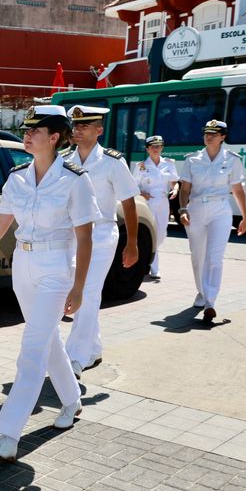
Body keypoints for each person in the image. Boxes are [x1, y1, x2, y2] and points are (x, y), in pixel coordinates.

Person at [0, 105, 99, 462]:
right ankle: (72, 400)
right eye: (26, 129)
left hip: (56, 267)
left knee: (32, 349)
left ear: (55, 137)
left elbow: (85, 237)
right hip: (23, 264)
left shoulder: (75, 179)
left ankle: (8, 434)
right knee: (47, 341)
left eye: (35, 130)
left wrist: (78, 287)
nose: (26, 135)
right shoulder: (18, 177)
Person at [61, 106, 139, 378]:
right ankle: (92, 348)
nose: (78, 129)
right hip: (72, 236)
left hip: (102, 234)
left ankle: (75, 358)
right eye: (76, 125)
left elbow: (129, 203)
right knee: (79, 290)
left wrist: (132, 243)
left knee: (88, 292)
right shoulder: (65, 160)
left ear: (100, 130)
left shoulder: (112, 161)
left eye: (85, 125)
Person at [177, 119, 246, 322]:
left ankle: (210, 302)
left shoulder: (233, 160)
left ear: (223, 137)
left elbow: (237, 189)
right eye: (207, 133)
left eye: (214, 134)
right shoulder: (192, 159)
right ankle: (201, 292)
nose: (209, 137)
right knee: (197, 256)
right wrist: (182, 209)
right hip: (196, 209)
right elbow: (185, 189)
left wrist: (245, 216)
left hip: (221, 210)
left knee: (215, 257)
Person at [133, 135, 178, 280]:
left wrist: (175, 189)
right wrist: (141, 193)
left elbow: (174, 181)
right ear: (147, 149)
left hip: (163, 202)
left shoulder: (169, 164)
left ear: (162, 148)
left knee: (162, 233)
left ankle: (146, 255)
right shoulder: (140, 166)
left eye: (158, 146)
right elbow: (133, 186)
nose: (156, 149)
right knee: (152, 233)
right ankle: (154, 267)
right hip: (148, 203)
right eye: (152, 146)